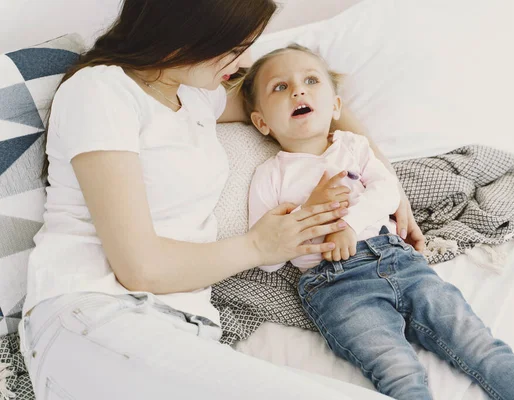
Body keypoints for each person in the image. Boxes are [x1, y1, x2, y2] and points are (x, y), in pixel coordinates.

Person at [19, 1, 424, 399]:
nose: (243, 58)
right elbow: (140, 269)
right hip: (96, 317)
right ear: (187, 31)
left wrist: (390, 186)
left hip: (184, 330)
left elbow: (314, 106)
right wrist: (259, 246)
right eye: (233, 48)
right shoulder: (102, 90)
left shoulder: (196, 96)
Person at [240, 44, 514, 400]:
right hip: (336, 286)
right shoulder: (270, 176)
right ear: (261, 122)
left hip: (399, 260)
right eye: (279, 87)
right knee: (399, 371)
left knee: (478, 344)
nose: (298, 90)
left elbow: (386, 189)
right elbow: (268, 258)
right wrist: (310, 215)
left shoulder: (354, 147)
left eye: (311, 80)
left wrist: (349, 223)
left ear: (335, 107)